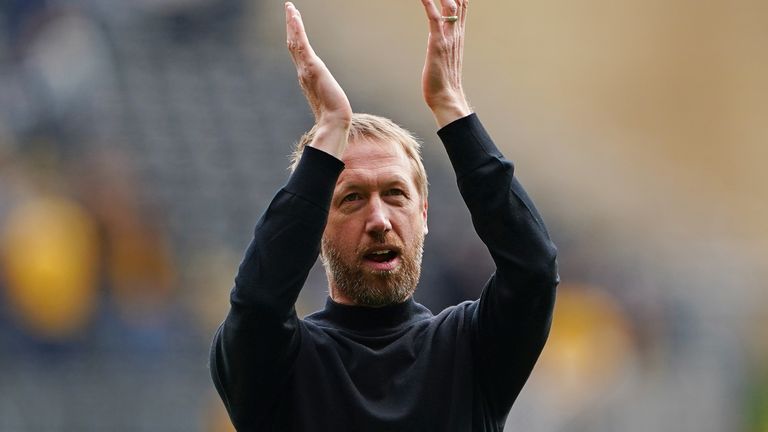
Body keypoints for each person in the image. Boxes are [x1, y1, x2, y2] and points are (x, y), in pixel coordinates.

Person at [209, 0, 559, 430]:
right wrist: (330, 132)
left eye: (395, 194)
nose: (379, 220)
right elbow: (257, 304)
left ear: (424, 213)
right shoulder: (281, 364)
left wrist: (451, 107)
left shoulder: (470, 349)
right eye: (352, 198)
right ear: (315, 223)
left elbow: (534, 271)